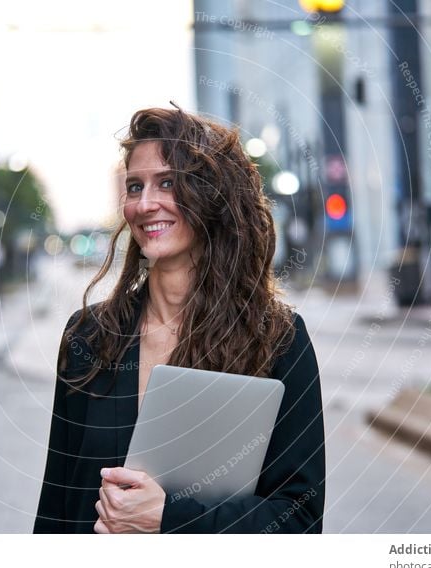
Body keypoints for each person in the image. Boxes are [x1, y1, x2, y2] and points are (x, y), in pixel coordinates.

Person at [33, 104, 325, 534]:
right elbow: (56, 502)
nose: (145, 204)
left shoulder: (276, 338)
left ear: (212, 196)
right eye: (135, 186)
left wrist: (168, 518)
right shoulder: (88, 335)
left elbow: (299, 519)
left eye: (167, 183)